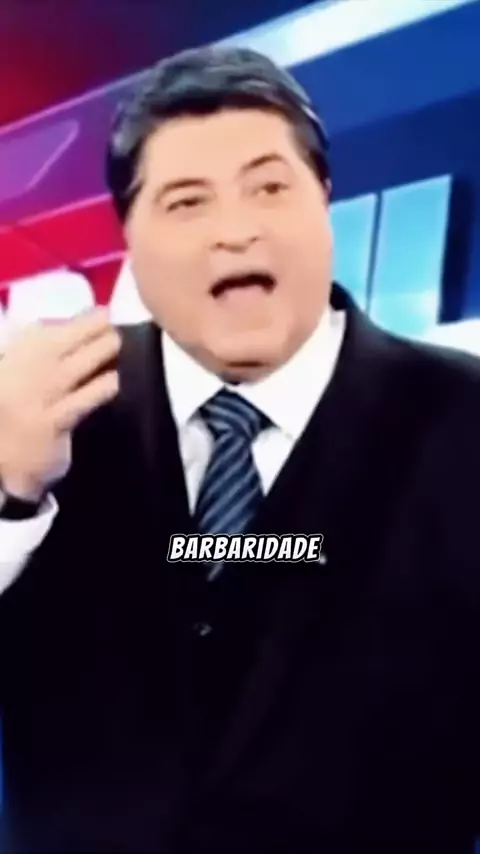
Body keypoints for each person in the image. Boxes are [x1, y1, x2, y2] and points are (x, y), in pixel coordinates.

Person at [0, 45, 479, 854]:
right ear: (129, 238)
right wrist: (8, 492)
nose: (235, 231)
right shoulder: (39, 406)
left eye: (269, 187)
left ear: (324, 198)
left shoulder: (463, 420)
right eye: (187, 202)